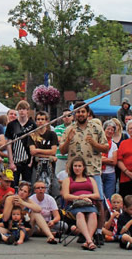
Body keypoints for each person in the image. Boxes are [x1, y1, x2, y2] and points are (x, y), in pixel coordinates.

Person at [59, 101, 109, 245]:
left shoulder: (96, 128)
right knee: (76, 201)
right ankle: (83, 232)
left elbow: (105, 148)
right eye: (78, 112)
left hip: (93, 170)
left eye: (83, 111)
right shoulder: (69, 129)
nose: (80, 114)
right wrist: (68, 140)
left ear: (88, 113)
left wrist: (94, 144)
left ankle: (98, 232)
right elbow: (62, 151)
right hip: (75, 172)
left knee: (98, 201)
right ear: (74, 114)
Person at [61, 156, 100, 251]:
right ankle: (90, 241)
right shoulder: (68, 180)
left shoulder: (90, 179)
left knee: (93, 214)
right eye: (75, 166)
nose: (77, 168)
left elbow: (97, 195)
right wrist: (80, 197)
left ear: (83, 167)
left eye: (79, 166)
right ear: (72, 167)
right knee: (80, 214)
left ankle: (88, 241)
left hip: (89, 204)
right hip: (74, 205)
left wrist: (88, 197)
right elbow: (66, 196)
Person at [5, 100, 36, 186]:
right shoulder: (12, 125)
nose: (21, 111)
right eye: (20, 109)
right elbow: (9, 144)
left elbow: (35, 143)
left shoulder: (32, 125)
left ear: (27, 111)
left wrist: (31, 160)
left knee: (27, 185)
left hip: (28, 160)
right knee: (13, 184)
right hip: (15, 159)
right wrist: (11, 162)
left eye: (24, 109)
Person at [27, 111, 59, 196]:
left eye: (42, 119)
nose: (40, 121)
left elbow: (54, 151)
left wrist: (38, 150)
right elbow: (33, 152)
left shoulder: (52, 134)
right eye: (38, 119)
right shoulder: (33, 135)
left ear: (46, 121)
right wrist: (49, 156)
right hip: (36, 166)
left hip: (50, 166)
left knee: (54, 187)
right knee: (35, 187)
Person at [101, 120, 118, 200]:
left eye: (112, 130)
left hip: (110, 174)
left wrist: (103, 159)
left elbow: (114, 162)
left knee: (109, 197)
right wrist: (109, 160)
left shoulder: (114, 145)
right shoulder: (98, 143)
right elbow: (96, 159)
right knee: (100, 196)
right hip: (99, 173)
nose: (110, 131)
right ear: (104, 129)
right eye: (108, 129)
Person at [116, 120, 132, 198]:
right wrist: (127, 172)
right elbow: (119, 160)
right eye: (130, 128)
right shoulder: (123, 143)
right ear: (128, 131)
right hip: (125, 177)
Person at [54, 109, 73, 175]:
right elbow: (59, 140)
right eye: (64, 116)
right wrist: (70, 139)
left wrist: (64, 138)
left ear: (72, 117)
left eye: (69, 115)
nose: (67, 117)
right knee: (59, 177)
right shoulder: (57, 128)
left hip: (73, 158)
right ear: (62, 118)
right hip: (60, 158)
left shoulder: (76, 127)